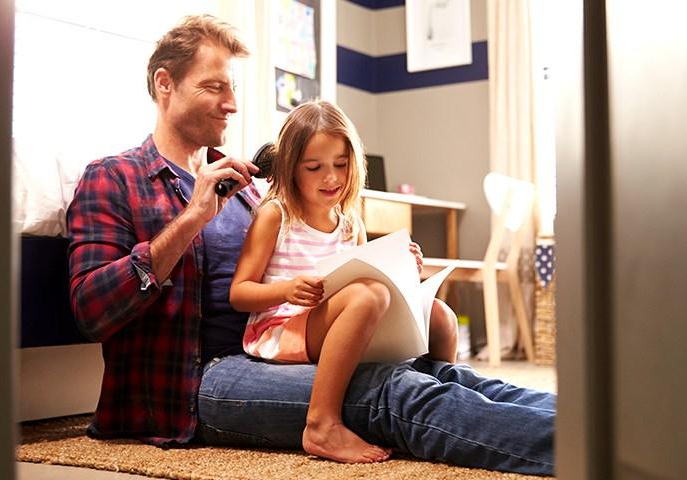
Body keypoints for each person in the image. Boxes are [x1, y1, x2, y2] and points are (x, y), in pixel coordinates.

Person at [67, 14, 556, 476]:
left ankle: (604, 418)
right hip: (196, 382)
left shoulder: (248, 190)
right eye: (214, 87)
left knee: (448, 376)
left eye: (232, 88)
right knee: (392, 391)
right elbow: (92, 310)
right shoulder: (115, 178)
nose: (232, 104)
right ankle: (586, 447)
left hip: (281, 351)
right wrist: (192, 217)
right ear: (164, 85)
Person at [230, 100, 458, 464]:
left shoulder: (351, 222)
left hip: (338, 322)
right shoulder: (276, 215)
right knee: (367, 297)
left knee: (441, 316)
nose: (331, 177)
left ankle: (440, 397)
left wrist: (403, 267)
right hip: (281, 329)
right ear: (291, 168)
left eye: (340, 164)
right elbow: (239, 293)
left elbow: (370, 277)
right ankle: (321, 423)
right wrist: (285, 290)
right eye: (314, 167)